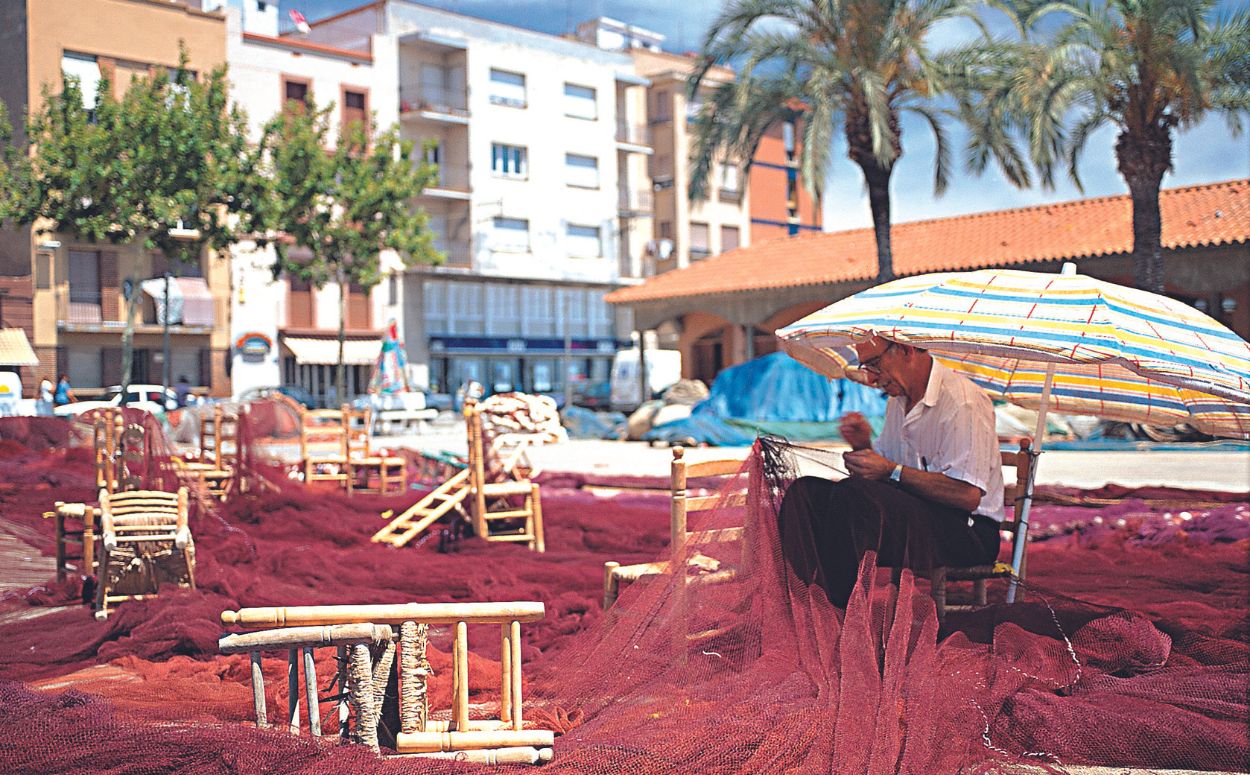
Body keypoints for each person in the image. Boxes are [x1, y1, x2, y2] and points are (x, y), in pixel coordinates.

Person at [777, 335, 1004, 608]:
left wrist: (890, 470)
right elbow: (883, 477)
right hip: (925, 516)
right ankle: (803, 601)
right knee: (807, 493)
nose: (872, 380)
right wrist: (864, 447)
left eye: (874, 365)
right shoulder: (897, 403)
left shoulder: (962, 402)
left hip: (968, 534)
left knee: (853, 496)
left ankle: (839, 609)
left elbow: (967, 495)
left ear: (906, 349)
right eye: (867, 369)